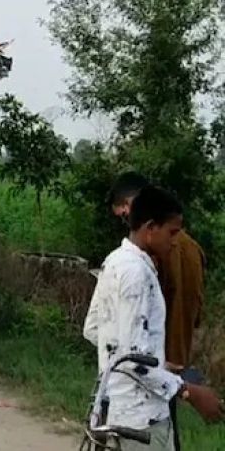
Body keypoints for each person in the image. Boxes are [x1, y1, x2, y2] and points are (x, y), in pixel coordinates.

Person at [84, 186, 221, 450]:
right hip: (142, 420)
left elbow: (93, 329)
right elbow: (133, 361)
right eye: (172, 232)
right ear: (150, 228)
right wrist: (189, 392)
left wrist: (157, 363)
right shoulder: (137, 274)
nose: (175, 241)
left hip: (114, 408)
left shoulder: (114, 261)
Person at [108, 172, 206, 450]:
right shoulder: (193, 250)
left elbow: (127, 344)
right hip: (166, 371)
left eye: (126, 209)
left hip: (148, 380)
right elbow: (196, 314)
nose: (126, 218)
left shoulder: (140, 261)